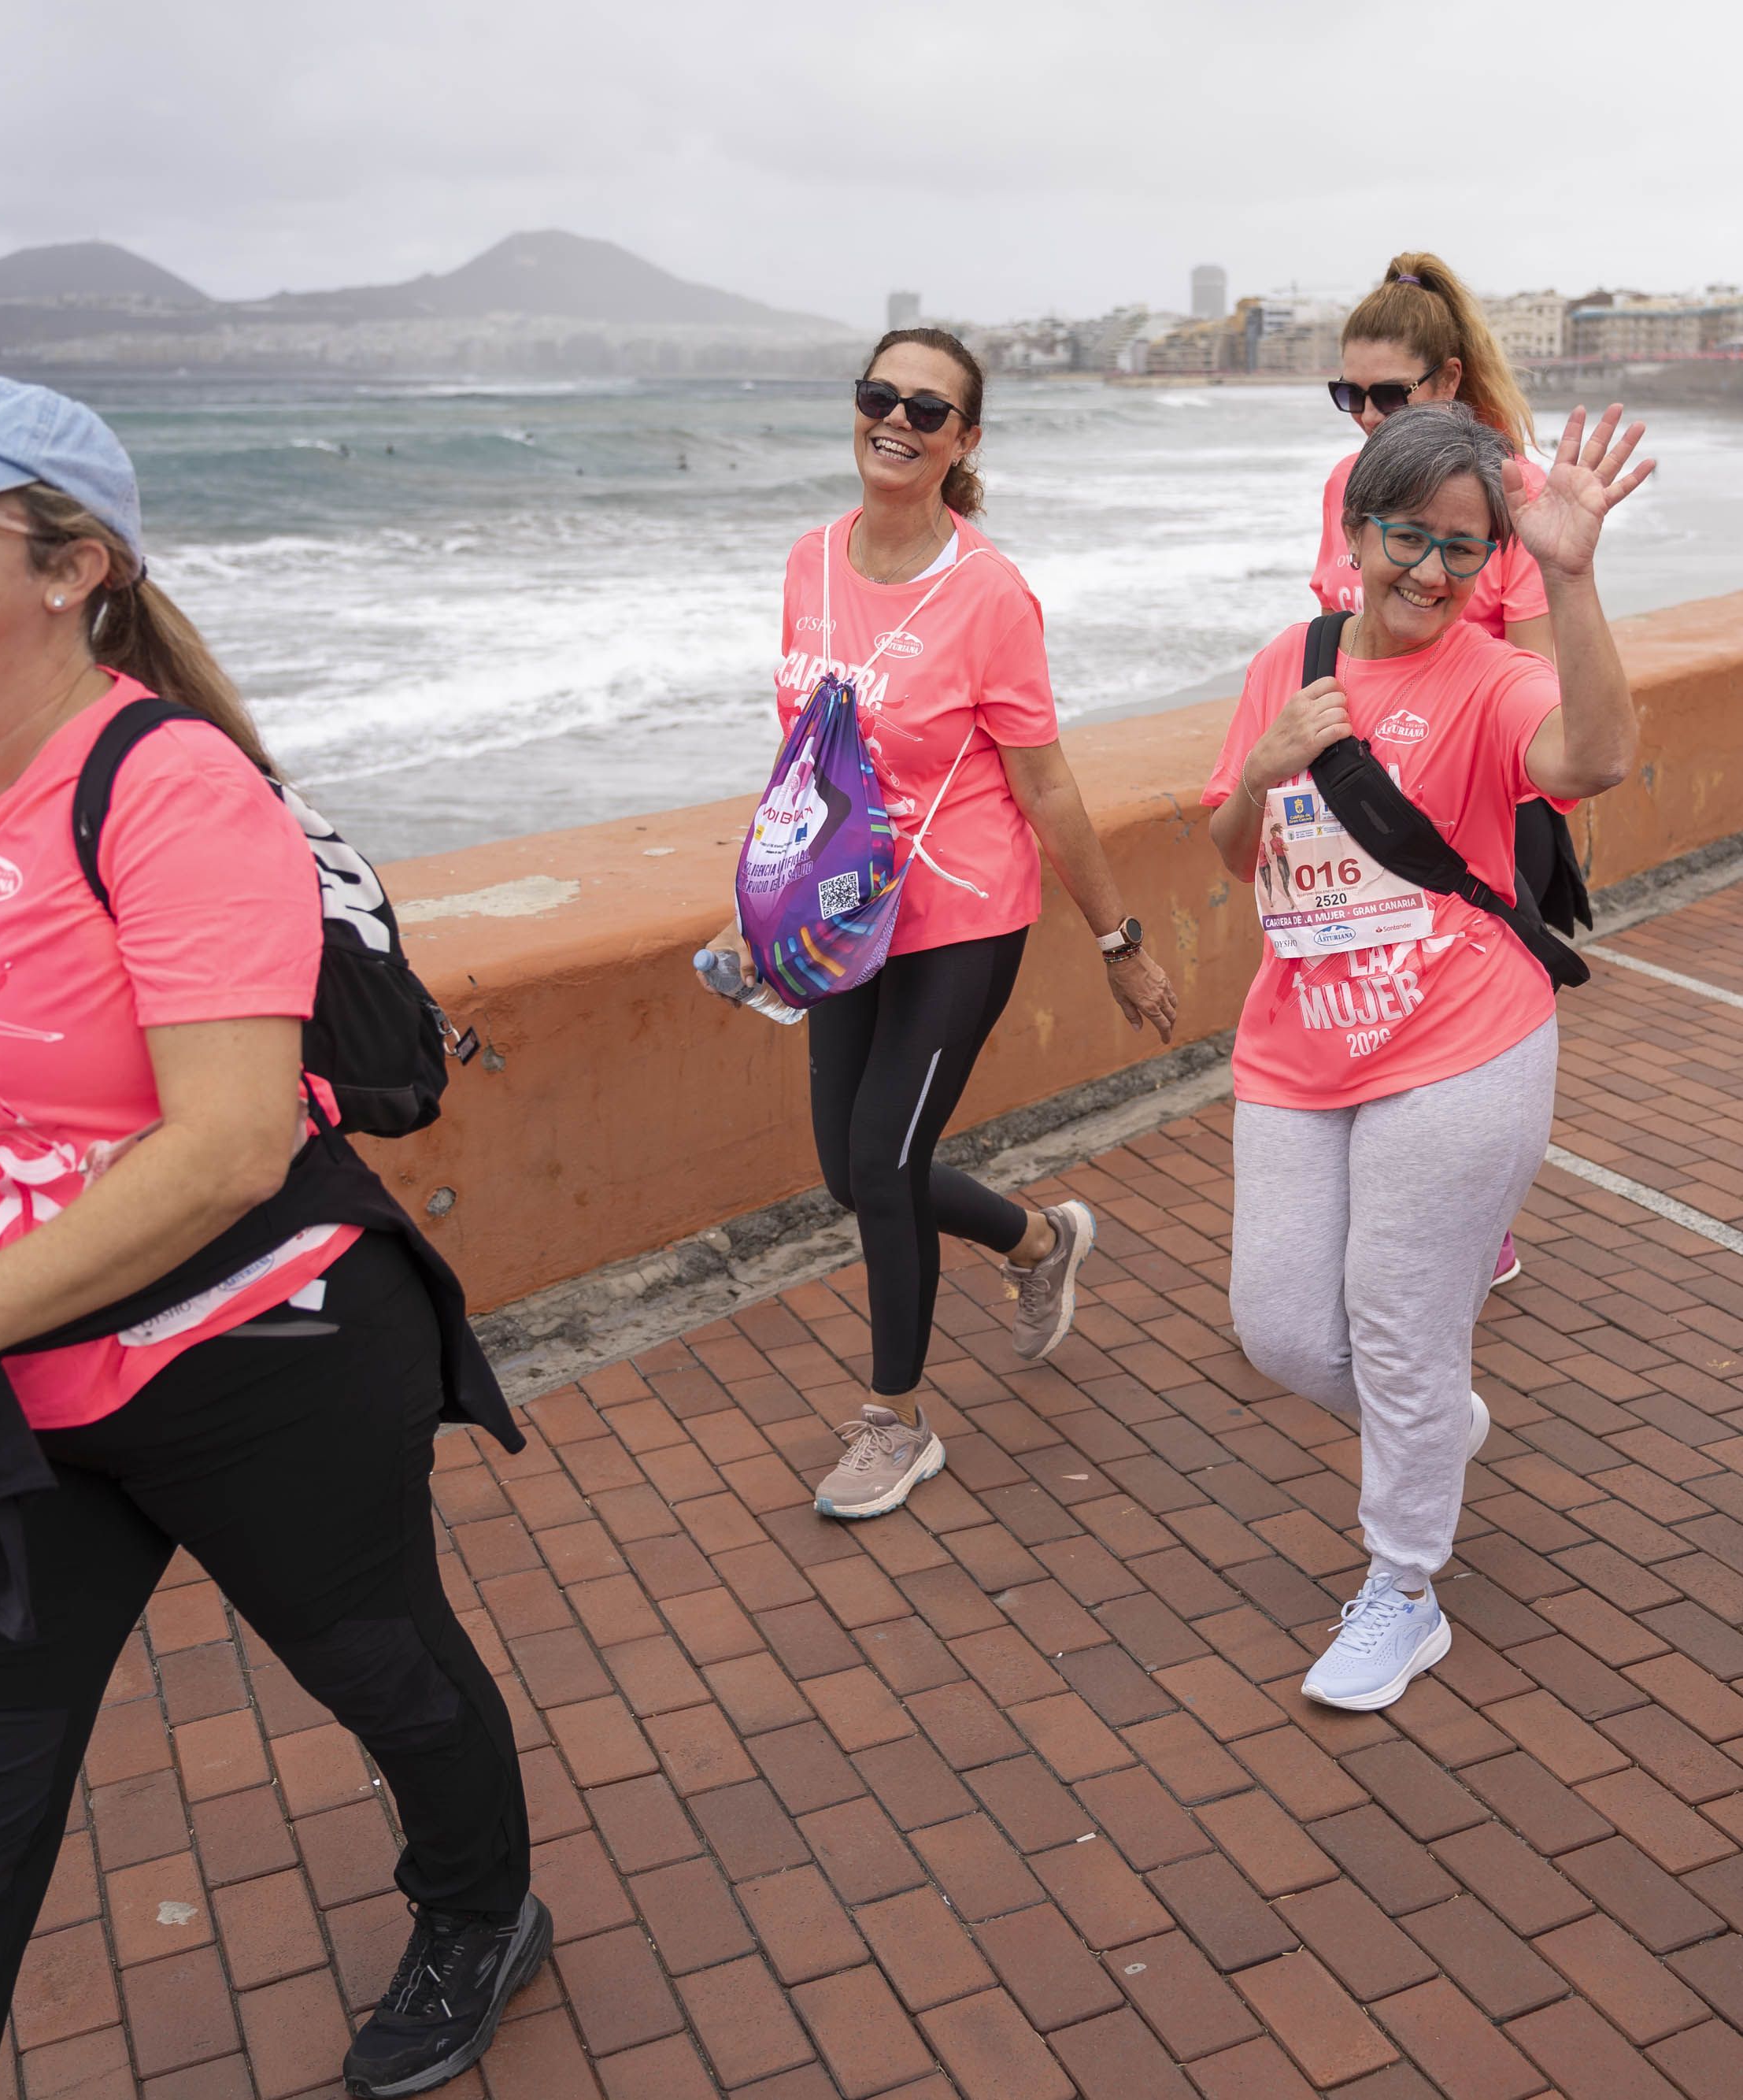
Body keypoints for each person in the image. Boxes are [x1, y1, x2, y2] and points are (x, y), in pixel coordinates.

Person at [0, 378, 546, 2100]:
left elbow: (232, 1143)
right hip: (1, 1402)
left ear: (72, 564)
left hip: (250, 1357)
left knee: (386, 1674)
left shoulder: (170, 787)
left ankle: (481, 1904)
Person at [1212, 400, 1650, 1710]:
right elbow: (1234, 847)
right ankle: (1432, 1435)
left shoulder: (1495, 675)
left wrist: (1569, 577)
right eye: (1407, 535)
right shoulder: (1287, 660)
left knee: (1401, 1329)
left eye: (1464, 550)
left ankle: (1402, 1589)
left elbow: (1600, 755)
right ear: (1355, 532)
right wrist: (1265, 768)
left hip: (1464, 1039)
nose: (1429, 571)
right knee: (1285, 1329)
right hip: (1298, 1039)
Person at [704, 328, 1179, 1518]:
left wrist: (1117, 943)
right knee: (849, 1173)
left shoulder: (989, 593)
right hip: (838, 916)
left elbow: (1047, 785)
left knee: (885, 1157)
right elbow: (805, 757)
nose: (898, 423)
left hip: (961, 916)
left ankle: (896, 1424)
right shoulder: (810, 561)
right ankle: (1038, 1242)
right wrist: (753, 907)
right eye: (881, 398)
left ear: (964, 440)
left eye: (929, 409)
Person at [1314, 251, 1568, 1293]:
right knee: (1361, 1010)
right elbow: (1328, 634)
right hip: (1358, 801)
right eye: (1348, 395)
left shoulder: (1514, 492)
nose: (1366, 417)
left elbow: (1547, 676)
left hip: (1480, 805)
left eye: (1389, 394)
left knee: (1460, 1032)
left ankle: (1470, 1217)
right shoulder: (1347, 486)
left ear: (1449, 383)